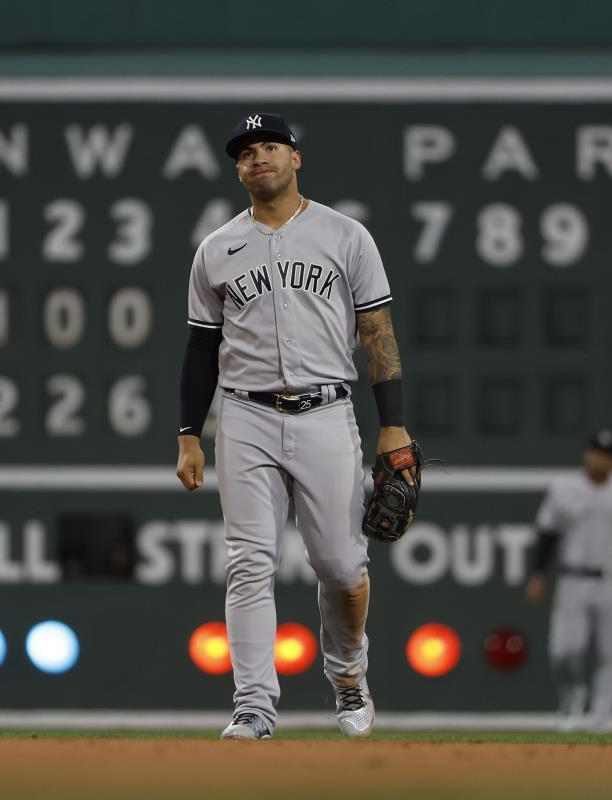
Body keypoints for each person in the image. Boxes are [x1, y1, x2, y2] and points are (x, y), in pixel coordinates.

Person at [174, 112, 416, 740]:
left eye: (271, 147)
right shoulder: (217, 248)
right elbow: (201, 349)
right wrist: (187, 434)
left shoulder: (345, 235)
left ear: (295, 157)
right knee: (249, 563)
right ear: (237, 168)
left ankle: (347, 675)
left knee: (341, 565)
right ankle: (253, 705)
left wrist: (394, 427)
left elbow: (377, 334)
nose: (259, 158)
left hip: (327, 412)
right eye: (247, 152)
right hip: (245, 415)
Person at [525, 429, 612, 732]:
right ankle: (573, 693)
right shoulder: (563, 489)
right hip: (574, 578)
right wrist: (538, 574)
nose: (600, 459)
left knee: (610, 654)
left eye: (607, 455)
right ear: (586, 454)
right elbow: (547, 535)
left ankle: (601, 721)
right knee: (563, 650)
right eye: (596, 452)